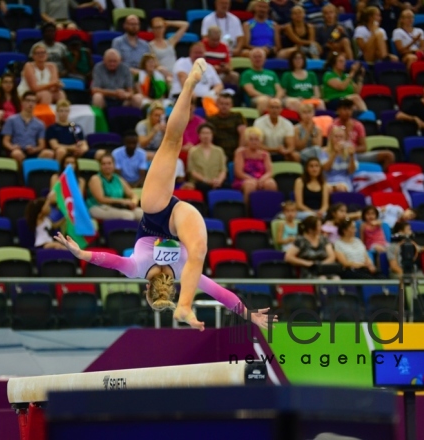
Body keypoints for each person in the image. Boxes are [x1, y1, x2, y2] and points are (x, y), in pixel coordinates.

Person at [55, 59, 276, 331]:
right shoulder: (135, 269)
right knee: (172, 142)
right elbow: (110, 261)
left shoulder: (184, 275)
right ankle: (188, 86)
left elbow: (221, 294)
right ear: (148, 287)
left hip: (176, 217)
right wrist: (81, 254)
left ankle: (184, 305)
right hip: (156, 209)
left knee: (198, 251)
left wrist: (249, 314)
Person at [85, 153, 144, 221]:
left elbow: (132, 194)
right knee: (127, 215)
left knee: (142, 213)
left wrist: (133, 202)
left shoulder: (118, 178)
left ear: (114, 165)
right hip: (98, 207)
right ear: (100, 166)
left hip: (117, 207)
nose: (107, 166)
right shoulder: (96, 179)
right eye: (103, 164)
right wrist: (122, 201)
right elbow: (101, 199)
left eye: (109, 163)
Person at [1, 91, 54, 165]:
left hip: (33, 151)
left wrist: (35, 149)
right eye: (28, 101)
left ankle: (37, 175)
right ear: (22, 102)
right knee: (17, 154)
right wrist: (12, 147)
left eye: (33, 101)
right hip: (17, 149)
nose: (31, 104)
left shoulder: (40, 124)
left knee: (48, 153)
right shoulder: (11, 120)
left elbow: (41, 144)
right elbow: (5, 141)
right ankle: (20, 176)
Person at [232, 127, 278, 204]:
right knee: (250, 185)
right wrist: (253, 179)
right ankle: (248, 211)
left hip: (261, 179)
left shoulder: (265, 154)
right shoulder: (240, 152)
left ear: (260, 141)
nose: (254, 142)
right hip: (244, 178)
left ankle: (270, 211)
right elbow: (238, 172)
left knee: (271, 184)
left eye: (256, 140)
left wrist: (262, 180)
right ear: (247, 141)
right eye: (251, 139)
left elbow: (269, 172)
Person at [186, 123, 228, 196]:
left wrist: (219, 181)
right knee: (204, 187)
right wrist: (207, 181)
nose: (206, 136)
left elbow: (223, 170)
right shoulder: (193, 151)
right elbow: (192, 171)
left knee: (226, 187)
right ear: (199, 135)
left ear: (212, 135)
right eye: (203, 133)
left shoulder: (219, 150)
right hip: (200, 182)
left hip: (216, 181)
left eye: (208, 133)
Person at [240, 48, 284, 113]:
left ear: (265, 59)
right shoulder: (246, 74)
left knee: (292, 102)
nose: (257, 59)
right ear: (250, 59)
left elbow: (279, 90)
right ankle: (260, 122)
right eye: (255, 57)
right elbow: (251, 91)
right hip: (257, 98)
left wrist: (276, 99)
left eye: (260, 57)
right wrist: (267, 98)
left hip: (274, 97)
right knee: (263, 100)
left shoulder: (272, 73)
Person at [207, 92, 247, 161]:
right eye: (221, 104)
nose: (224, 106)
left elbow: (243, 133)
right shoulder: (211, 119)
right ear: (217, 104)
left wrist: (239, 151)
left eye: (227, 104)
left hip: (235, 151)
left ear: (232, 105)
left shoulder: (237, 116)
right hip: (217, 152)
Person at [320, 125, 358, 192]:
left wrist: (352, 156)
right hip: (328, 179)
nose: (338, 139)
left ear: (345, 138)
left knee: (341, 188)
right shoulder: (324, 151)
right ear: (331, 138)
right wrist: (334, 153)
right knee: (328, 188)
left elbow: (351, 171)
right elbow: (326, 168)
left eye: (341, 137)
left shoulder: (350, 151)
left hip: (344, 180)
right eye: (336, 137)